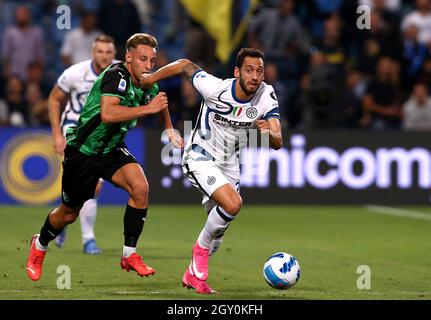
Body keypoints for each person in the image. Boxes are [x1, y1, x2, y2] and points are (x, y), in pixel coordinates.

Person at [26, 33, 184, 281]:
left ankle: (129, 254)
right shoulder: (116, 75)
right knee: (67, 214)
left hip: (111, 149)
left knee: (140, 188)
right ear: (128, 57)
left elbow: (159, 101)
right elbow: (109, 114)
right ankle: (40, 244)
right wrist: (148, 109)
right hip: (83, 152)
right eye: (143, 59)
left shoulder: (146, 82)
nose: (148, 65)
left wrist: (168, 128)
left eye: (152, 61)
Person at [141, 48, 283, 294]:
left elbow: (278, 141)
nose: (255, 76)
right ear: (237, 72)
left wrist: (267, 133)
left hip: (230, 165)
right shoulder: (215, 88)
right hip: (199, 157)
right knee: (233, 204)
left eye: (259, 71)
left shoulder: (266, 96)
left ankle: (192, 275)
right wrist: (151, 78)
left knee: (218, 231)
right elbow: (185, 64)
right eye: (249, 70)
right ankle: (199, 250)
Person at [48, 34, 117, 254]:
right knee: (93, 184)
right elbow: (54, 99)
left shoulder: (120, 73)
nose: (104, 56)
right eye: (100, 51)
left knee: (81, 187)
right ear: (92, 52)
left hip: (102, 134)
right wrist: (57, 135)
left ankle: (59, 218)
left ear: (114, 54)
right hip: (75, 131)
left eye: (108, 52)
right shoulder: (75, 73)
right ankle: (88, 239)